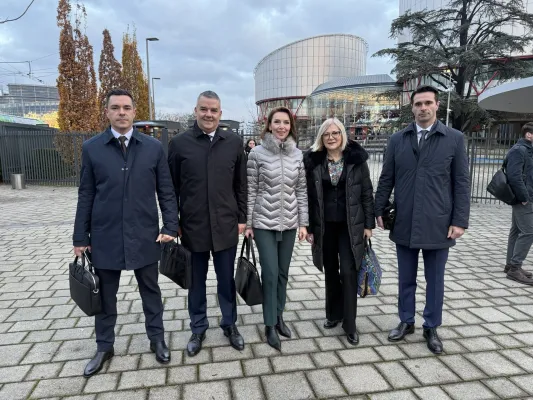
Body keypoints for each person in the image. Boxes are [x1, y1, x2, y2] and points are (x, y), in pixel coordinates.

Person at [72, 88, 178, 377]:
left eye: (126, 107)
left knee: (151, 291)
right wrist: (80, 238)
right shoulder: (92, 148)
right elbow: (86, 194)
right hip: (105, 235)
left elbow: (166, 190)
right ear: (106, 112)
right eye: (115, 107)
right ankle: (105, 346)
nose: (121, 112)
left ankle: (157, 339)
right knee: (105, 296)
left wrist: (170, 225)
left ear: (134, 112)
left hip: (145, 233)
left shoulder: (153, 148)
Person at [374, 85, 470, 355]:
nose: (423, 108)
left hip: (438, 222)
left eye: (428, 103)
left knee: (435, 279)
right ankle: (406, 321)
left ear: (437, 106)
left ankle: (431, 326)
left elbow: (461, 182)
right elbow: (386, 178)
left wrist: (460, 220)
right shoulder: (398, 139)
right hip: (404, 219)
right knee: (406, 278)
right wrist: (378, 210)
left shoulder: (454, 138)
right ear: (412, 107)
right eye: (418, 104)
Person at [168, 91, 247, 357]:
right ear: (195, 110)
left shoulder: (234, 143)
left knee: (226, 281)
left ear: (220, 113)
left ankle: (230, 324)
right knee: (196, 282)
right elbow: (171, 189)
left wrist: (243, 219)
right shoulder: (179, 144)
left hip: (226, 225)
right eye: (204, 109)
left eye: (213, 110)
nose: (208, 114)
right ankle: (198, 327)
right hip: (193, 227)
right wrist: (172, 222)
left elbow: (241, 185)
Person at [303, 118, 375, 346]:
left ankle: (350, 323)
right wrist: (310, 227)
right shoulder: (313, 161)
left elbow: (366, 191)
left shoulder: (355, 159)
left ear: (343, 135)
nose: (331, 137)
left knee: (348, 270)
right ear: (321, 138)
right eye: (327, 134)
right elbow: (309, 197)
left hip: (350, 225)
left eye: (335, 133)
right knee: (331, 271)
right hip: (325, 225)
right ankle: (333, 314)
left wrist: (368, 225)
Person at [245, 106, 308, 351]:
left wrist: (303, 223)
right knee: (270, 273)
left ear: (291, 126)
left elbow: (301, 190)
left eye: (286, 122)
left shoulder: (297, 155)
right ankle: (269, 323)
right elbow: (251, 189)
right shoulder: (257, 154)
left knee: (283, 273)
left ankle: (280, 315)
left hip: (290, 222)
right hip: (263, 222)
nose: (282, 126)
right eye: (277, 122)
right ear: (269, 125)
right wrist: (249, 223)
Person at [505, 122, 533, 285]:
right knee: (529, 232)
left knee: (516, 230)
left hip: (525, 196)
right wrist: (524, 197)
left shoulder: (527, 150)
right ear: (528, 135)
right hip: (524, 198)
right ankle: (515, 268)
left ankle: (510, 265)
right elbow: (514, 176)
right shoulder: (519, 150)